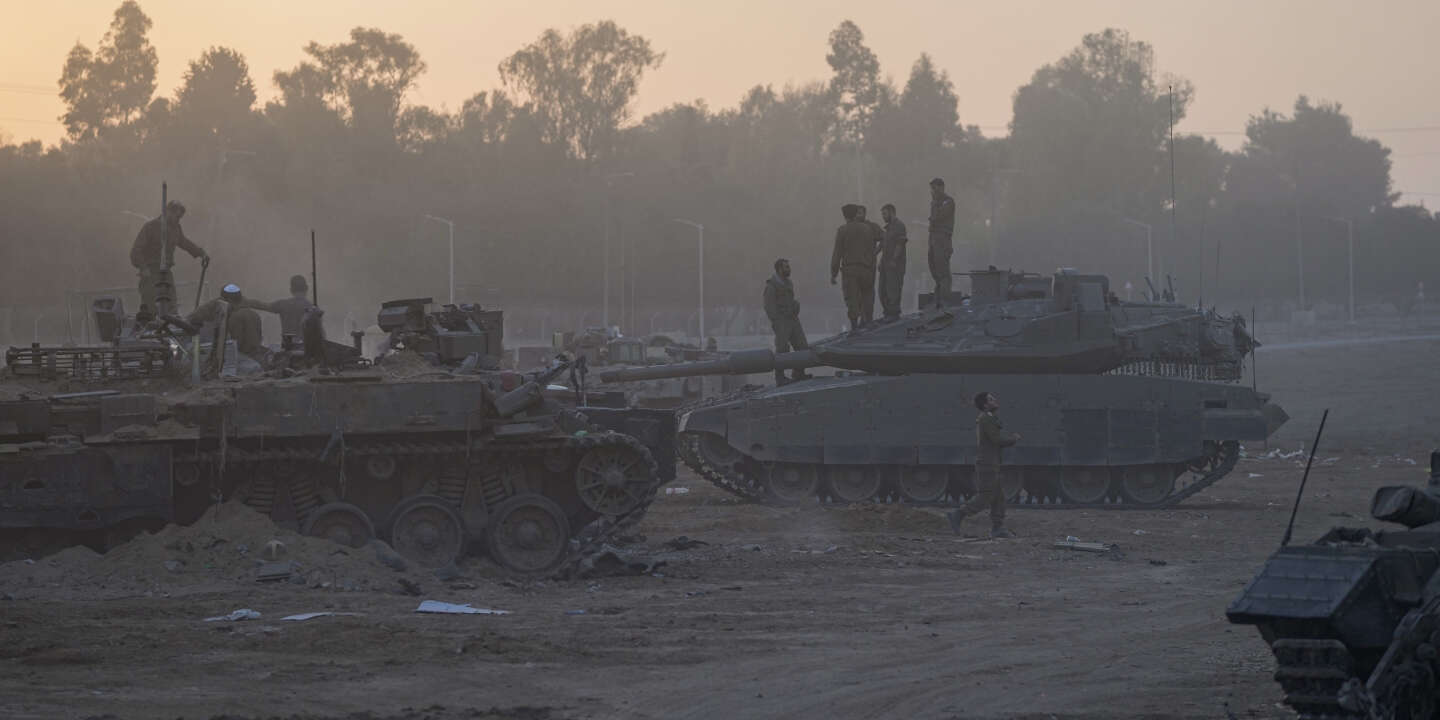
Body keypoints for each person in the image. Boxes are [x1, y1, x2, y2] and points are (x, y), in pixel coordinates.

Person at [948, 391, 1020, 538]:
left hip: (992, 463)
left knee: (998, 497)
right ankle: (958, 514)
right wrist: (1013, 439)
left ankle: (998, 527)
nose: (995, 400)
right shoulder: (986, 419)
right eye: (991, 399)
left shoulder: (989, 417)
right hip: (988, 464)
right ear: (985, 405)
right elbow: (996, 439)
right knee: (985, 496)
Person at [130, 200, 208, 314]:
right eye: (177, 216)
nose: (178, 219)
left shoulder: (176, 228)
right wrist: (143, 268)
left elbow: (184, 242)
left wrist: (201, 253)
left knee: (171, 306)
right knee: (150, 307)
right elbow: (136, 251)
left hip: (166, 273)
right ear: (168, 212)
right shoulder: (150, 227)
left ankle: (172, 321)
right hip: (150, 272)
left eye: (180, 217)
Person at [830, 203, 879, 331]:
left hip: (850, 271)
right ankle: (868, 322)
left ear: (845, 216)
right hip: (867, 269)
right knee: (867, 295)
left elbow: (837, 253)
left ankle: (854, 327)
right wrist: (871, 265)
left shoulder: (842, 230)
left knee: (852, 298)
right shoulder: (867, 229)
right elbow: (871, 249)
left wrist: (833, 274)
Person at [188, 284, 265, 362]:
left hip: (242, 358)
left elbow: (235, 344)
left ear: (226, 300)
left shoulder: (234, 317)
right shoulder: (254, 314)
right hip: (255, 355)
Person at [763, 258, 809, 385]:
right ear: (779, 269)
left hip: (793, 319)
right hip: (782, 321)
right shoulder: (771, 286)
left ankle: (798, 373)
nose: (789, 269)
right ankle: (780, 377)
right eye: (786, 267)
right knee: (782, 349)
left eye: (788, 267)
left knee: (802, 346)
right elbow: (769, 306)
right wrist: (777, 321)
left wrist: (795, 305)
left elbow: (789, 300)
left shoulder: (788, 283)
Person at [243, 274, 315, 340]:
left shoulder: (283, 305)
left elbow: (263, 306)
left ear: (291, 290)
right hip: (306, 347)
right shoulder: (313, 308)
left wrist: (245, 301)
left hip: (288, 346)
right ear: (306, 288)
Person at [927, 178, 955, 301]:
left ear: (942, 187)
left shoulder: (948, 201)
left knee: (943, 270)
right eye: (932, 188)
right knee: (933, 267)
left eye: (935, 188)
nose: (933, 191)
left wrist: (934, 203)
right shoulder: (935, 203)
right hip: (933, 238)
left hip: (943, 239)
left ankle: (944, 299)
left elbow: (937, 217)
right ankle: (938, 298)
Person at [878, 203, 908, 321]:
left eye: (884, 214)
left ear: (891, 212)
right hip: (885, 264)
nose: (883, 217)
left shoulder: (899, 226)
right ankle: (887, 313)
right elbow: (883, 245)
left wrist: (894, 260)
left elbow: (900, 244)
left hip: (895, 264)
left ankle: (894, 313)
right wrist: (879, 260)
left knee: (893, 289)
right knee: (882, 290)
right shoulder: (887, 228)